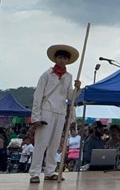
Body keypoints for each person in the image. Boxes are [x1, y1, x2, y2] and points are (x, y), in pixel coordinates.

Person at [29, 44, 81, 183]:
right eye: (60, 57)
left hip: (60, 112)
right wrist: (36, 117)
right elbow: (38, 96)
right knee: (41, 143)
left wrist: (77, 88)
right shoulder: (47, 74)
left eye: (65, 58)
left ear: (67, 60)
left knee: (55, 144)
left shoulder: (69, 77)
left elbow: (70, 97)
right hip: (46, 110)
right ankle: (34, 172)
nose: (62, 60)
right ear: (55, 58)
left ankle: (50, 171)